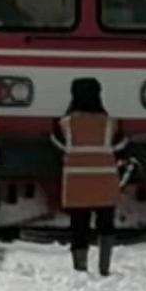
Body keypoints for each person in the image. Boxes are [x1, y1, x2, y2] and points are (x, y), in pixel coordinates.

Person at [51, 77, 132, 276]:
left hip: (76, 183)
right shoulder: (110, 124)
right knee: (106, 224)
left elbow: (57, 145)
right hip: (105, 182)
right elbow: (122, 145)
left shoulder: (65, 124)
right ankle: (104, 267)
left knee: (79, 225)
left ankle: (80, 267)